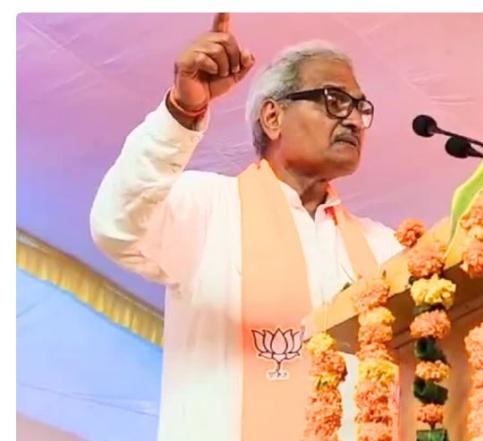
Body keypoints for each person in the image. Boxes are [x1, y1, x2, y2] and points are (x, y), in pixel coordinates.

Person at [90, 13, 403, 441]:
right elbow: (114, 226)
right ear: (273, 117)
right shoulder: (208, 207)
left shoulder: (382, 247)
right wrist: (182, 111)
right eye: (334, 100)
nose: (352, 119)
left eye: (360, 107)